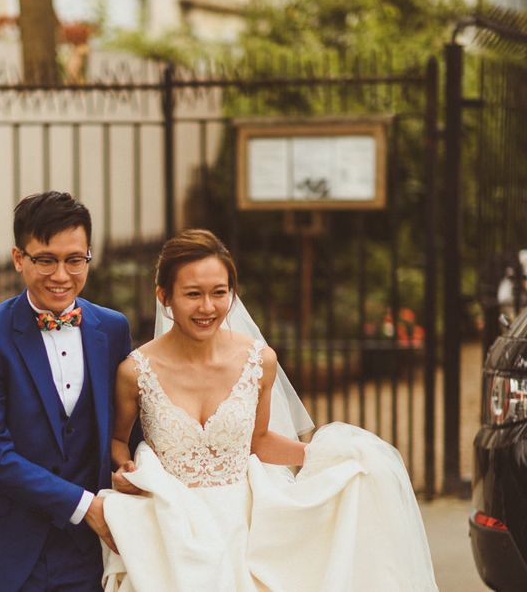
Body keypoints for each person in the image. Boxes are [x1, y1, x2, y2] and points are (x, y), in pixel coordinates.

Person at [102, 229, 438, 591]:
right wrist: (123, 468)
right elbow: (118, 439)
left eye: (220, 292)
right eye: (193, 294)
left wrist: (328, 458)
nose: (208, 307)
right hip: (168, 525)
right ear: (164, 296)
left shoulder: (258, 361)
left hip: (244, 526)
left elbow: (258, 441)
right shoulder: (135, 371)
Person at [0, 191, 134, 592]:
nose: (61, 275)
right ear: (19, 259)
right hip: (4, 549)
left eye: (74, 260)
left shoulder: (113, 329)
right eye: (45, 259)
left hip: (88, 552)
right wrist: (85, 507)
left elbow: (125, 426)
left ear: (88, 257)